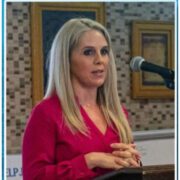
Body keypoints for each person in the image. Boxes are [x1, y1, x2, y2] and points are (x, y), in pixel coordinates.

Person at [22, 18, 141, 180]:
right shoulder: (46, 113)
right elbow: (34, 177)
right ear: (67, 60)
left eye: (104, 51)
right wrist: (90, 160)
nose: (99, 60)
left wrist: (133, 163)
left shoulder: (118, 113)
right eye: (88, 52)